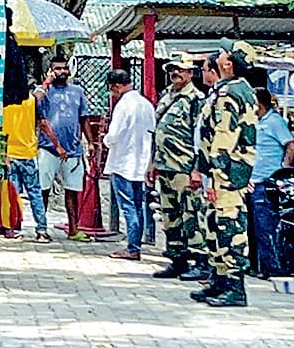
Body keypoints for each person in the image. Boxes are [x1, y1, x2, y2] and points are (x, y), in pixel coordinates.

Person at [190, 40, 257, 307]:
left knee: (230, 230)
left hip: (227, 175)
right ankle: (219, 282)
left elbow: (224, 137)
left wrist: (216, 176)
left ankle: (235, 288)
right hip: (220, 173)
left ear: (229, 64)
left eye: (225, 52)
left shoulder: (231, 94)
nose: (220, 54)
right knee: (214, 228)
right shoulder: (228, 90)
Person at [148, 53, 210, 280]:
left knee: (191, 214)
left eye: (180, 70)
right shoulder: (167, 95)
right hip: (165, 166)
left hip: (184, 167)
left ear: (190, 73)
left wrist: (197, 169)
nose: (175, 73)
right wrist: (153, 163)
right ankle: (178, 259)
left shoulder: (196, 99)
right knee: (170, 215)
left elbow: (200, 137)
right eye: (172, 69)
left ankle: (200, 260)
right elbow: (157, 132)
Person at [35, 56, 94, 242]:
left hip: (73, 149)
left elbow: (83, 118)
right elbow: (39, 116)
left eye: (64, 68)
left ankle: (74, 230)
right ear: (50, 71)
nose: (62, 72)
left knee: (72, 191)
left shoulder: (77, 91)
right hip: (48, 148)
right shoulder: (44, 91)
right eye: (57, 69)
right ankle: (41, 228)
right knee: (43, 190)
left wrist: (90, 142)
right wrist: (46, 83)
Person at [102, 69, 156, 260]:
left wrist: (105, 140)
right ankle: (136, 243)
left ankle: (133, 247)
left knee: (128, 206)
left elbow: (114, 135)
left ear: (116, 86)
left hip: (123, 162)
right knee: (138, 205)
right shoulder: (146, 104)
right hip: (141, 162)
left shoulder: (123, 106)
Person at [248, 87, 294, 278]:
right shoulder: (255, 122)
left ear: (258, 104)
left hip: (267, 183)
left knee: (265, 227)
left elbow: (292, 146)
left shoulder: (275, 121)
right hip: (253, 181)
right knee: (252, 228)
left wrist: (283, 171)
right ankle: (256, 265)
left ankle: (271, 268)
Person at [2, 86, 52, 243]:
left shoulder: (5, 102)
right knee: (35, 193)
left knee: (13, 195)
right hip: (28, 154)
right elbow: (41, 123)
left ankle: (14, 229)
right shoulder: (32, 102)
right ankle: (42, 230)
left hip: (9, 153)